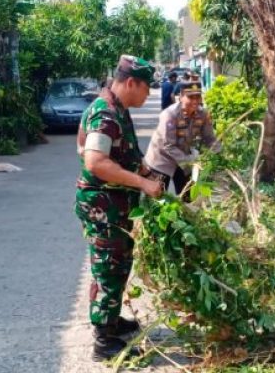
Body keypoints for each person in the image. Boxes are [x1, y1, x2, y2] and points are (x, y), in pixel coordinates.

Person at [74, 55, 164, 361]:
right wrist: (142, 184)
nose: (148, 94)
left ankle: (111, 321)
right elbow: (96, 163)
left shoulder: (119, 111)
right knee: (108, 268)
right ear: (131, 83)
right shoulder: (105, 114)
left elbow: (124, 154)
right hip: (104, 207)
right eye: (147, 88)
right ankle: (103, 341)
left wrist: (148, 173)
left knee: (120, 264)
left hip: (117, 206)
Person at [144, 81, 220, 199]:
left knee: (188, 198)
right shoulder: (170, 115)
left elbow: (209, 138)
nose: (195, 101)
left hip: (184, 160)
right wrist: (191, 159)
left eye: (198, 97)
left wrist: (218, 155)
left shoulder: (203, 114)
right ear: (181, 97)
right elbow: (168, 145)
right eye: (190, 97)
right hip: (161, 160)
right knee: (157, 200)